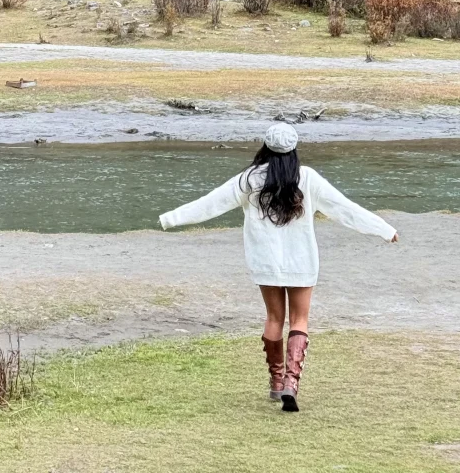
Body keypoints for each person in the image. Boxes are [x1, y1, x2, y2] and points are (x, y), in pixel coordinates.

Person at [158, 123, 397, 412]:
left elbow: (210, 204)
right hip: (302, 261)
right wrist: (383, 228)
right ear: (293, 150)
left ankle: (275, 382)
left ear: (265, 147)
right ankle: (291, 383)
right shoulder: (306, 178)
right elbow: (343, 208)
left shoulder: (248, 180)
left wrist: (170, 218)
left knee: (274, 318)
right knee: (299, 320)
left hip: (265, 261)